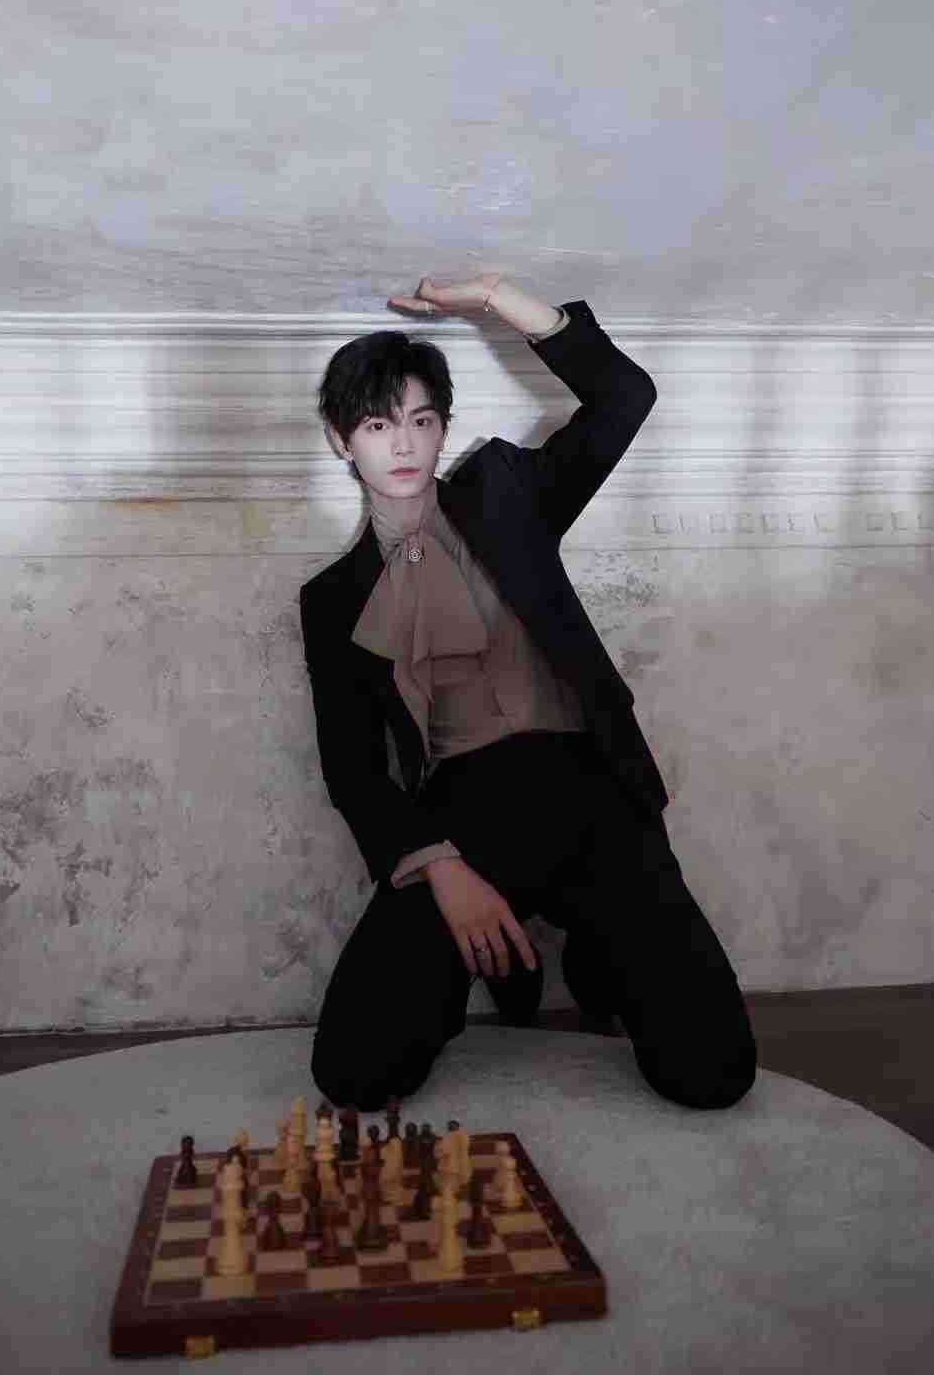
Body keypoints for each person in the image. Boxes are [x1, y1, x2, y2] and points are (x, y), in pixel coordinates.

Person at [299, 271, 757, 1115]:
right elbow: (352, 770)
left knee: (711, 1074)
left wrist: (495, 296)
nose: (402, 444)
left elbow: (624, 396)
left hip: (593, 793)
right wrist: (442, 871)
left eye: (421, 420)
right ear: (341, 440)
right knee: (355, 1072)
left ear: (443, 429)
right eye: (377, 424)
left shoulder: (507, 495)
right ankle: (490, 963)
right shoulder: (331, 600)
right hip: (462, 817)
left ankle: (597, 955)